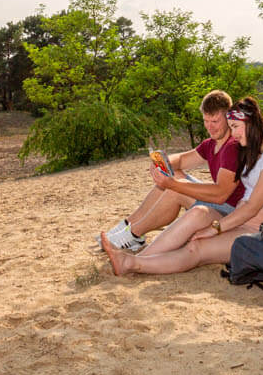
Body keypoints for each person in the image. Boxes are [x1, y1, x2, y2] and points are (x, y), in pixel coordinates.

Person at [101, 97, 263, 277]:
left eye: (235, 126)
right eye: (231, 126)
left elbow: (252, 206)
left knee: (196, 247)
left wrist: (215, 228)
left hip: (255, 227)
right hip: (240, 221)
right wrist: (164, 164)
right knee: (194, 226)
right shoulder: (256, 154)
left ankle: (134, 259)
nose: (234, 133)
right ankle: (131, 249)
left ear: (250, 123)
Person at [102, 90, 245, 253]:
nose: (210, 127)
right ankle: (128, 225)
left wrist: (175, 185)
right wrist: (163, 163)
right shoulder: (211, 143)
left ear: (228, 117)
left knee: (175, 189)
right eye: (206, 121)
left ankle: (134, 233)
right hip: (220, 203)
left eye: (215, 121)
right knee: (174, 174)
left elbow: (221, 194)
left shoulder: (232, 147)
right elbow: (183, 160)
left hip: (230, 212)